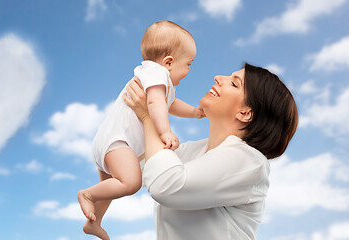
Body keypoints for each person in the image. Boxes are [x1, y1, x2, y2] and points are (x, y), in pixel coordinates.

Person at [122, 63, 298, 240]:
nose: (219, 78)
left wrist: (149, 116)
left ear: (245, 113)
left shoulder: (250, 161)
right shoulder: (195, 150)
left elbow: (165, 185)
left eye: (234, 84)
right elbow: (135, 167)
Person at [77, 20, 204, 240]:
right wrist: (165, 132)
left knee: (110, 188)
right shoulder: (158, 74)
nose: (190, 70)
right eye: (189, 64)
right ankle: (86, 195)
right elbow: (155, 105)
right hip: (118, 143)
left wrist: (193, 112)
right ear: (169, 62)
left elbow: (169, 104)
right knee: (131, 182)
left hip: (108, 141)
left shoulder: (154, 78)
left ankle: (93, 222)